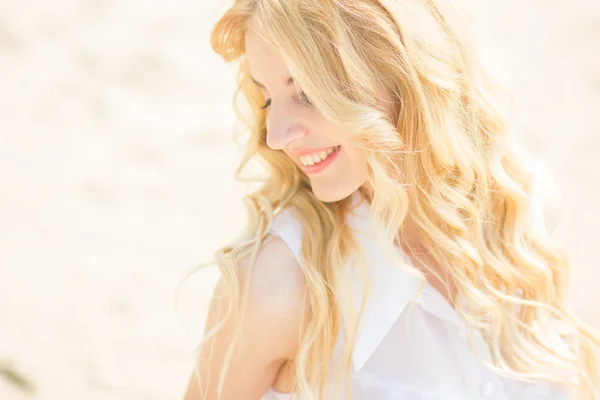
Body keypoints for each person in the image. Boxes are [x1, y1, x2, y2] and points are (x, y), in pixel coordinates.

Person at [182, 0, 600, 399]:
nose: (275, 135)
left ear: (399, 68)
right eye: (269, 97)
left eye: (308, 91)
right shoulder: (277, 283)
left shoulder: (521, 206)